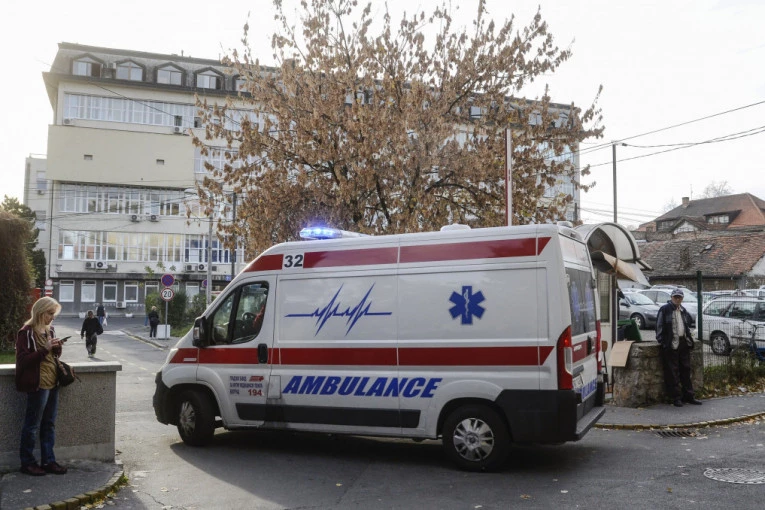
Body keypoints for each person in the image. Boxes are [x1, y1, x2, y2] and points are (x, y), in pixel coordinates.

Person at [15, 296, 68, 476]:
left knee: (49, 424)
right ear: (40, 312)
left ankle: (48, 461)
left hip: (53, 382)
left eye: (54, 314)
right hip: (38, 385)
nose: (52, 318)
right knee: (32, 425)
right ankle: (27, 463)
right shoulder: (26, 332)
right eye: (50, 313)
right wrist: (45, 349)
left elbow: (52, 357)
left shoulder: (49, 330)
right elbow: (23, 361)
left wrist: (57, 348)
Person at [655, 288, 702, 407]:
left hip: (683, 343)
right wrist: (663, 342)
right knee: (672, 371)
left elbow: (686, 326)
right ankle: (676, 398)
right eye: (675, 297)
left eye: (679, 297)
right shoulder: (665, 309)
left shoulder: (683, 310)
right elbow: (659, 326)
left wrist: (688, 339)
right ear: (671, 298)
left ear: (682, 299)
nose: (677, 299)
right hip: (671, 344)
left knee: (686, 369)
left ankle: (689, 396)